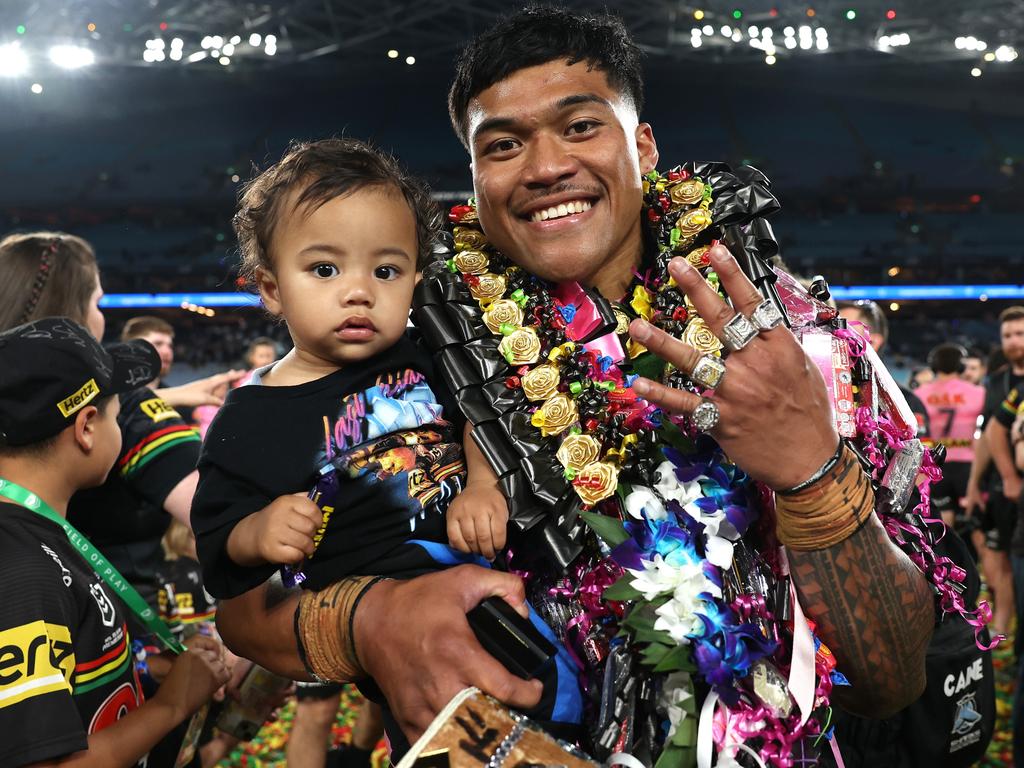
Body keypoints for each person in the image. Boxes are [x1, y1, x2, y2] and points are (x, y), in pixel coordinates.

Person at [214, 7, 935, 759]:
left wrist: (811, 472)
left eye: (581, 126)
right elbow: (242, 609)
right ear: (473, 177)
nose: (545, 166)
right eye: (502, 144)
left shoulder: (792, 340)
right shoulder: (402, 346)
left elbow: (892, 680)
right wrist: (371, 620)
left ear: (643, 147)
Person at [190, 138, 582, 742]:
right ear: (270, 287)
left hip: (491, 564)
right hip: (398, 598)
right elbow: (220, 545)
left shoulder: (419, 353)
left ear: (416, 280)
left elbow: (474, 417)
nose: (359, 291)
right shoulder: (249, 419)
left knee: (559, 705)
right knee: (485, 716)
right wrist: (257, 532)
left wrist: (482, 482)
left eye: (386, 270)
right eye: (324, 269)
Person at [0, 317, 230, 767]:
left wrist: (149, 666)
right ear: (87, 427)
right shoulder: (23, 568)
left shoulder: (40, 533)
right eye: (118, 408)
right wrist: (172, 705)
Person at [966, 306, 1024, 637]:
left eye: (1019, 334)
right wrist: (975, 484)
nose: (1014, 341)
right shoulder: (998, 382)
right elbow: (989, 435)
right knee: (999, 556)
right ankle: (1003, 623)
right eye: (1008, 336)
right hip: (1002, 487)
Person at [915, 344, 985, 529]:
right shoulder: (978, 393)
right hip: (968, 464)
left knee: (942, 524)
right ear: (961, 366)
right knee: (977, 526)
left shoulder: (919, 394)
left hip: (935, 465)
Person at [837, 299, 931, 437]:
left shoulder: (905, 404)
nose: (833, 337)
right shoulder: (822, 392)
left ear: (872, 341)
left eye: (843, 330)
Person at [122, 316, 175, 387]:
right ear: (131, 348)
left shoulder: (173, 395)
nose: (167, 352)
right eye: (158, 344)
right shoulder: (107, 392)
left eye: (170, 346)